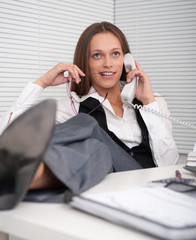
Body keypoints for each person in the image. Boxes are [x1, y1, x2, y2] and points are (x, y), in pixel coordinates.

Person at [0, 22, 179, 209]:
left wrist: (148, 101)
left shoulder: (152, 102)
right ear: (85, 63)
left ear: (127, 60)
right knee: (82, 133)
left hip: (147, 188)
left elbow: (168, 164)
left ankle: (19, 177)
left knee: (90, 130)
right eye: (97, 55)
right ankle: (25, 176)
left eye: (115, 54)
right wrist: (42, 83)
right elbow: (6, 138)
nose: (108, 63)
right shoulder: (72, 105)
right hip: (104, 191)